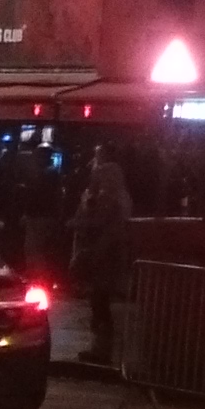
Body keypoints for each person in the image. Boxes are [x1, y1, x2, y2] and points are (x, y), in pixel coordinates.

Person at [67, 156, 137, 366]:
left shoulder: (108, 198)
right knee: (102, 302)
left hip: (104, 254)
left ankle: (101, 349)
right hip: (113, 254)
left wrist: (80, 218)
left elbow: (96, 222)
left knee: (99, 303)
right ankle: (102, 347)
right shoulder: (123, 197)